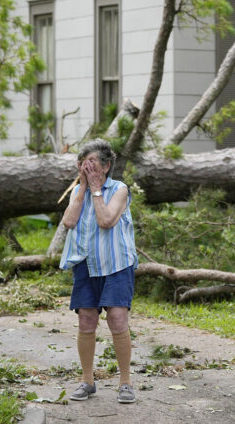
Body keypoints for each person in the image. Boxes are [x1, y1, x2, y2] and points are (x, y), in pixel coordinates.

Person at [60, 139, 139, 404]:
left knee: (117, 319)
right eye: (83, 163)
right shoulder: (77, 192)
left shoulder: (119, 190)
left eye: (93, 162)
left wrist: (96, 189)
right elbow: (69, 221)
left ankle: (125, 382)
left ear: (106, 166)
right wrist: (83, 188)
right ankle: (87, 381)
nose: (87, 167)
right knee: (86, 320)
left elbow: (106, 221)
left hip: (116, 264)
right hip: (86, 263)